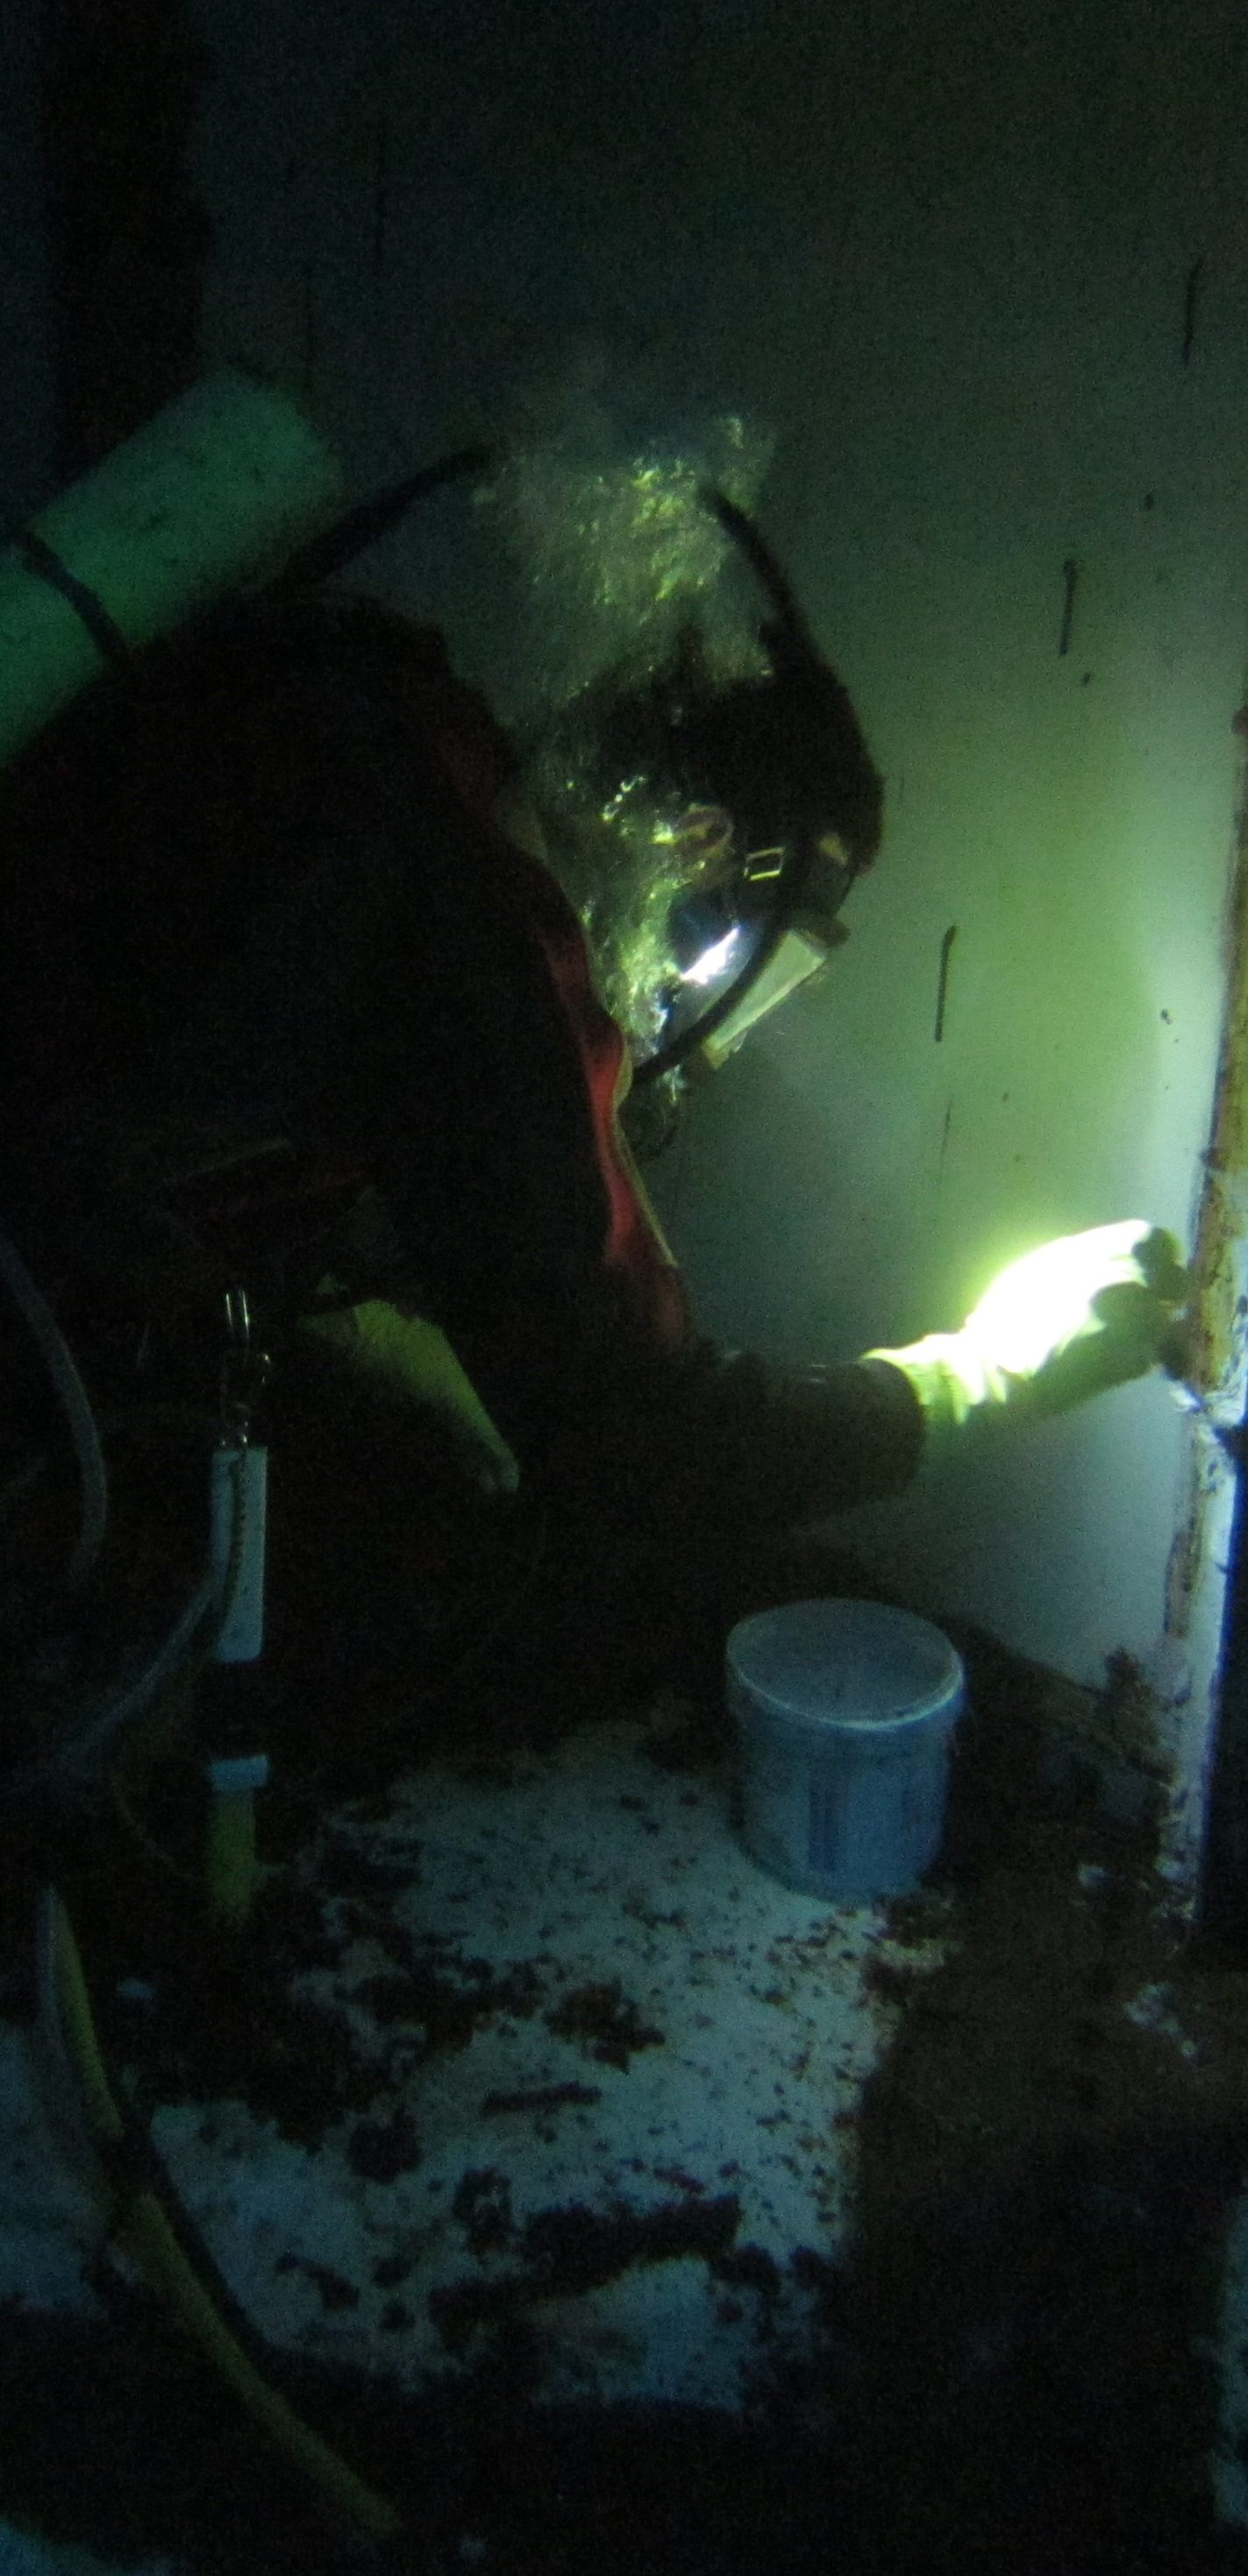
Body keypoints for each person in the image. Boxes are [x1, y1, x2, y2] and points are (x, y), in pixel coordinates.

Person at [0, 477, 1184, 1772]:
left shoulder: (387, 723)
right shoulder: (478, 945)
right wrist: (985, 1371)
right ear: (701, 842)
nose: (697, 1002)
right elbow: (636, 1443)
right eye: (747, 951)